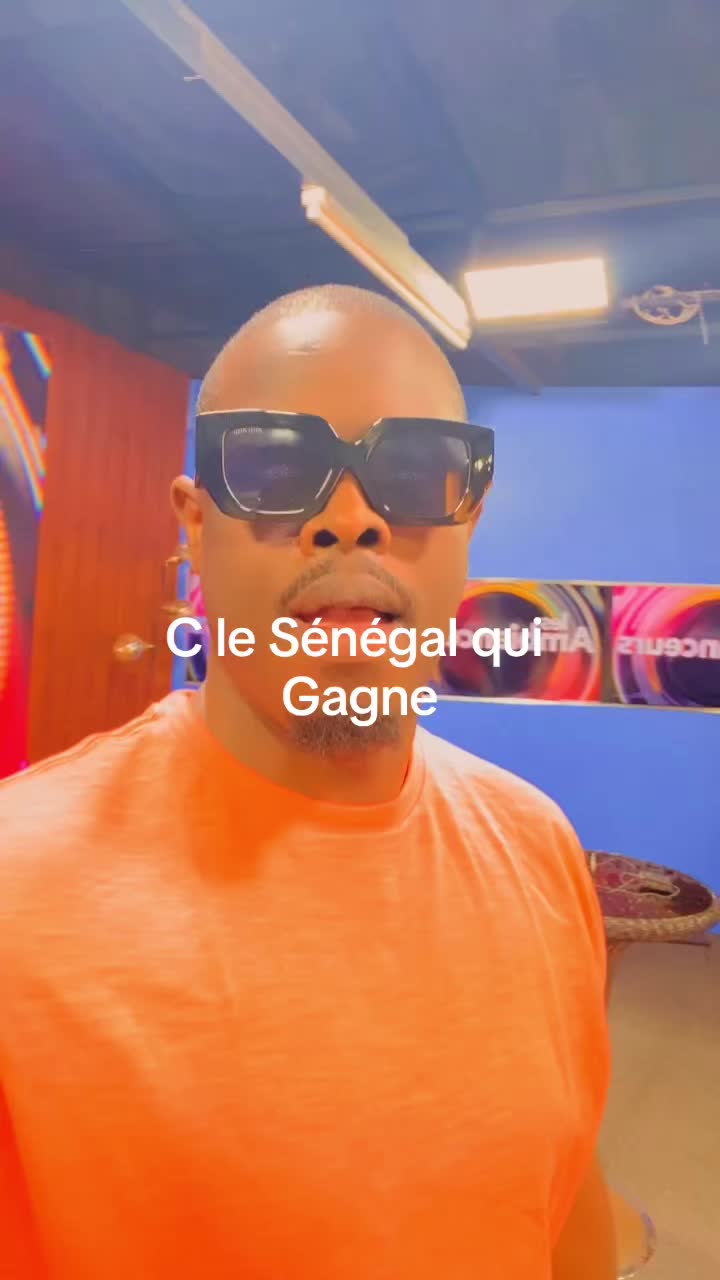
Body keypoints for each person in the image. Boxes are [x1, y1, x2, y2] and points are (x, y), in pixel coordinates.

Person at [0, 284, 615, 1279]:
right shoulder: (17, 890)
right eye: (275, 467)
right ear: (193, 525)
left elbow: (564, 1222)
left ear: (470, 519)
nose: (349, 519)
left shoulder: (537, 845)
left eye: (411, 471)